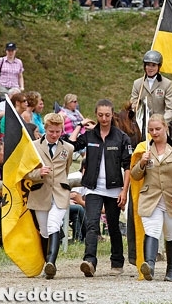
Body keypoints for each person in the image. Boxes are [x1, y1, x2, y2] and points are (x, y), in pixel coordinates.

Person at [65, 99, 131, 277]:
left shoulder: (121, 137)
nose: (104, 118)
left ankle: (117, 262)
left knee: (113, 226)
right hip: (93, 187)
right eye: (100, 115)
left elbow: (128, 167)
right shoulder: (90, 135)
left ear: (112, 115)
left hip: (114, 188)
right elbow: (70, 145)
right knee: (92, 223)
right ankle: (89, 261)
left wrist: (124, 191)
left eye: (107, 115)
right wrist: (79, 125)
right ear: (96, 114)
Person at [131, 114, 172, 281]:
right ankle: (149, 265)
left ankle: (171, 270)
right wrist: (141, 163)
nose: (154, 133)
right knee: (152, 231)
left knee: (171, 235)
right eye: (151, 130)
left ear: (166, 128)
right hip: (151, 198)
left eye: (158, 129)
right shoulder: (145, 148)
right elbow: (135, 176)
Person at [26, 113, 74, 279]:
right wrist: (38, 173)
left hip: (60, 193)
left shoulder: (68, 149)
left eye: (58, 131)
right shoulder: (33, 146)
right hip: (40, 193)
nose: (54, 135)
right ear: (44, 129)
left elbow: (66, 170)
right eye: (51, 131)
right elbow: (25, 172)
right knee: (44, 230)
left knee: (54, 224)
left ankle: (51, 263)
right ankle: (47, 261)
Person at [130, 50, 172, 134]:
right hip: (141, 126)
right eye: (148, 65)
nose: (150, 68)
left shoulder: (167, 84)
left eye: (153, 65)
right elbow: (133, 104)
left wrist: (161, 122)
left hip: (161, 127)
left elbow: (171, 110)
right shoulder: (137, 84)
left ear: (159, 67)